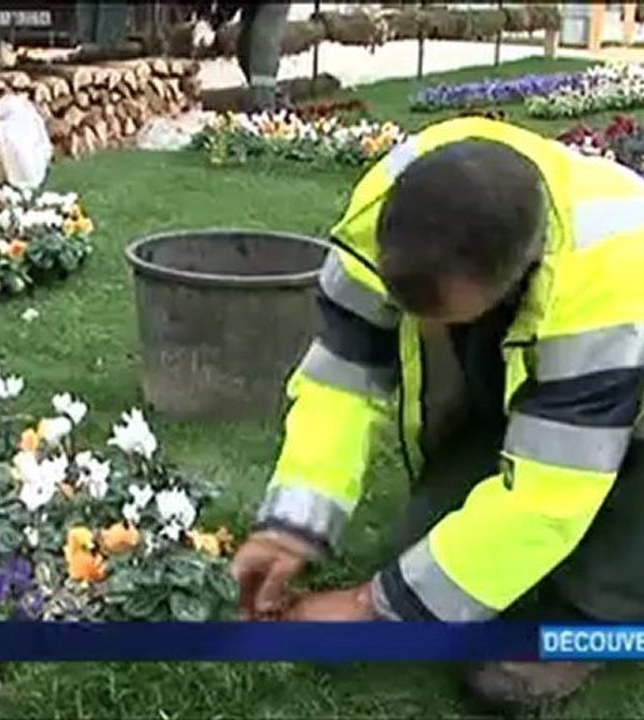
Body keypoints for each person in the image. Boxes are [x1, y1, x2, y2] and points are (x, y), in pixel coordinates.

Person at [231, 115, 644, 710]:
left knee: (586, 541)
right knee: (422, 560)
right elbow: (341, 382)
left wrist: (368, 609)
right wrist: (290, 527)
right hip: (549, 335)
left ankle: (597, 615)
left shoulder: (605, 289)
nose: (418, 328)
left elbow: (547, 497)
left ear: (516, 280)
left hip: (630, 368)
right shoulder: (390, 205)